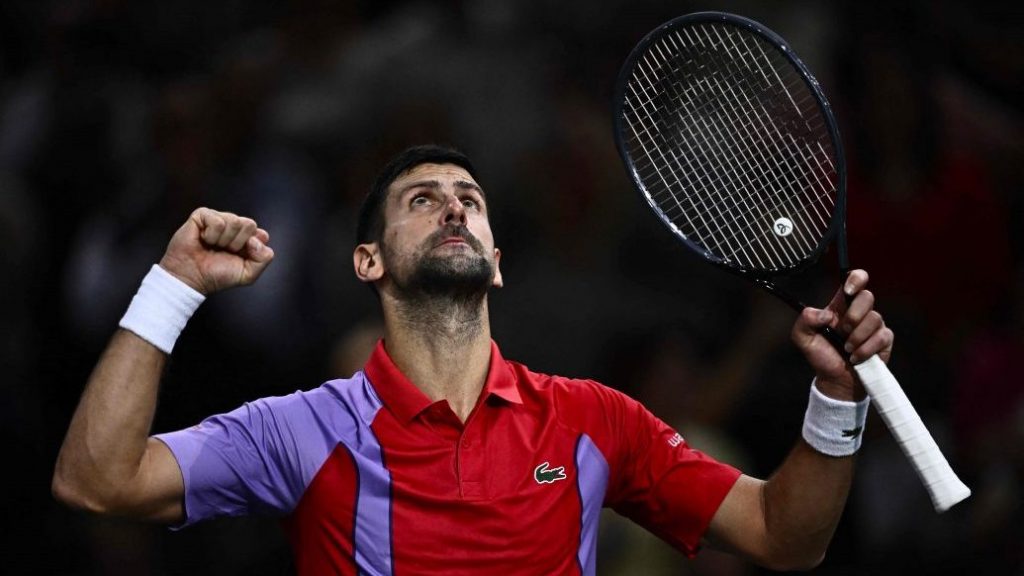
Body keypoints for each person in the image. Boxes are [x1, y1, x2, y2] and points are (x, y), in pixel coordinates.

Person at [53, 145, 893, 574]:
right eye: (422, 200)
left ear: (495, 263)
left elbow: (783, 536)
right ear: (369, 261)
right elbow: (96, 481)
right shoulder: (300, 432)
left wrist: (835, 395)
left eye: (471, 202)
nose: (454, 209)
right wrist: (173, 286)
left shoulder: (592, 420)